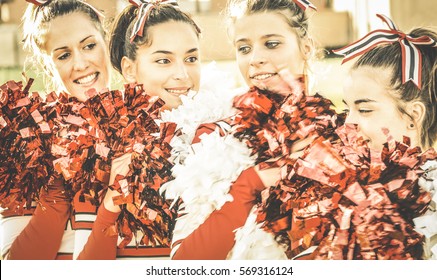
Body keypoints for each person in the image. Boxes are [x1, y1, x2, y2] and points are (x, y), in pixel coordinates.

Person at [165, 0, 321, 259]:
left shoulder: (343, 135)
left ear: (306, 47)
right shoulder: (215, 136)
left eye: (271, 44)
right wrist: (250, 183)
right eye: (244, 48)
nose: (255, 59)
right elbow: (184, 262)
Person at [76, 0, 212, 260]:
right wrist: (111, 202)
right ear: (130, 69)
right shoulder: (101, 146)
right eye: (164, 60)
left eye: (191, 58)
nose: (183, 74)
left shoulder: (220, 138)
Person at [1, 0, 111, 260]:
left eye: (89, 45)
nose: (81, 63)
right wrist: (58, 186)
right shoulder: (23, 138)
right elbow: (15, 267)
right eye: (64, 55)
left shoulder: (148, 128)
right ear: (47, 63)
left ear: (106, 40)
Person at [335, 14, 437, 259]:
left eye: (365, 109)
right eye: (347, 108)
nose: (348, 123)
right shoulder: (350, 188)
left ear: (413, 117)